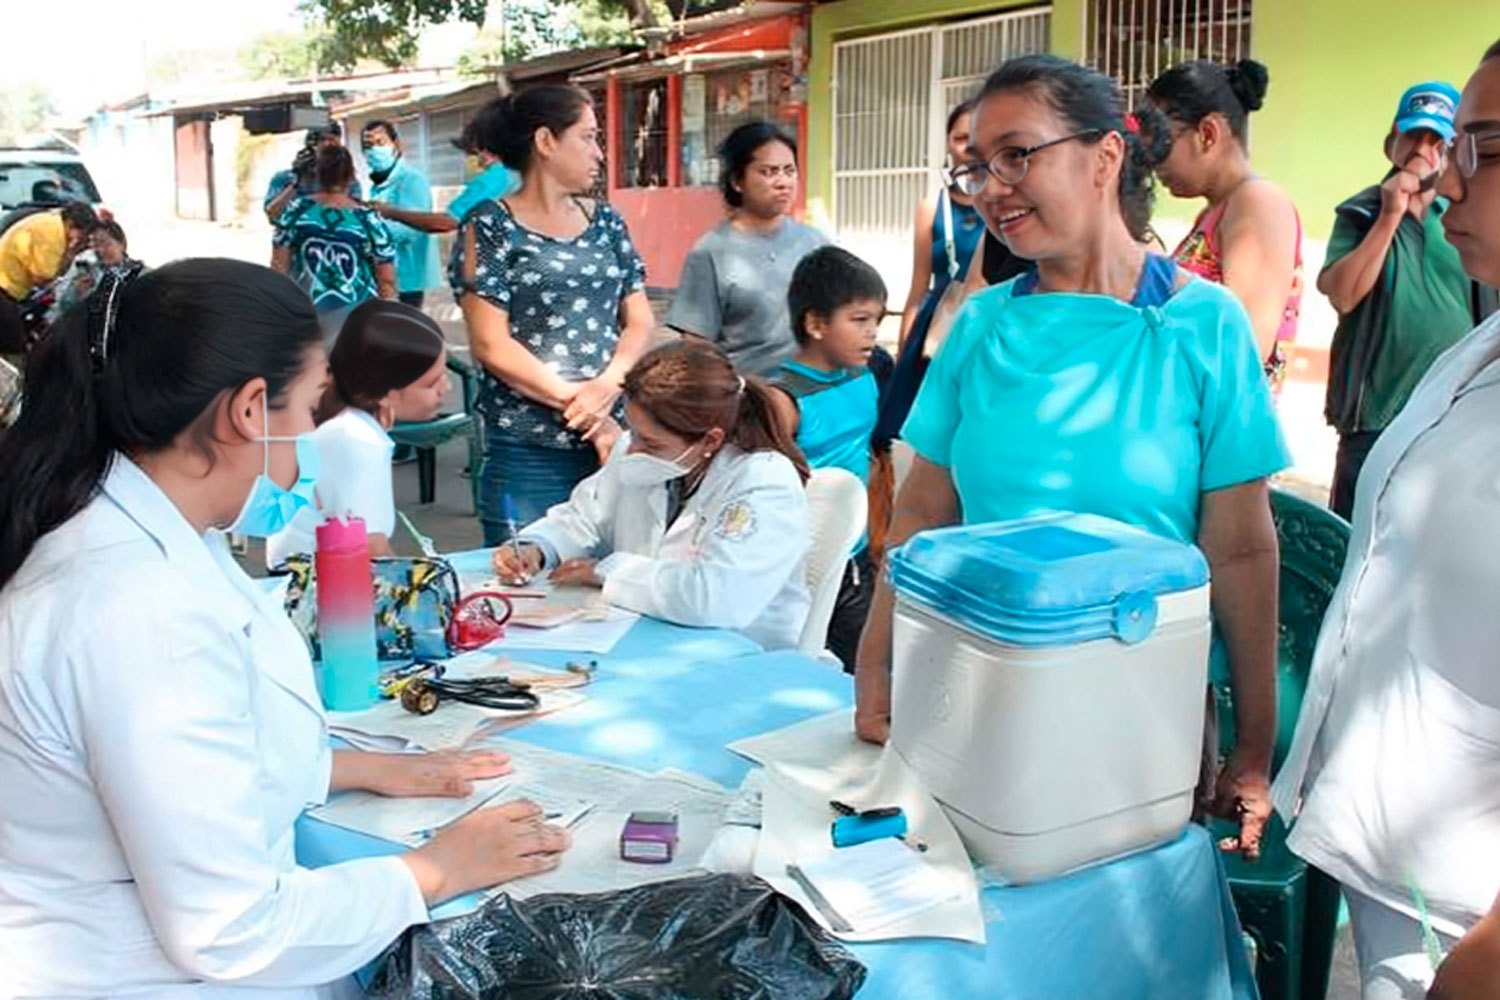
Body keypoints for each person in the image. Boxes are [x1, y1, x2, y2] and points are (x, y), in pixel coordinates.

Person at [0, 259, 570, 998]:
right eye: (306, 408)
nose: (310, 434)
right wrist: (435, 870)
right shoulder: (138, 609)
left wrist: (342, 767)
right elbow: (231, 929)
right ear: (247, 411)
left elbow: (162, 762)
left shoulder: (137, 530)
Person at [855, 55, 1290, 863]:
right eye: (977, 167)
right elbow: (921, 517)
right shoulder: (981, 327)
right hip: (976, 682)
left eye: (1018, 155)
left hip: (1141, 702)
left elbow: (1239, 546)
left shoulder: (1203, 324)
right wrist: (875, 667)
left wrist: (1254, 748)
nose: (991, 186)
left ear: (1105, 155)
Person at [1271, 40, 1500, 1000]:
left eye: (1478, 147)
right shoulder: (1482, 344)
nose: (1446, 179)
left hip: (1471, 916)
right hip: (1407, 863)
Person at [494, 339, 811, 650]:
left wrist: (605, 572)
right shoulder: (644, 453)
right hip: (647, 635)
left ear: (711, 441)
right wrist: (538, 547)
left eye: (650, 443)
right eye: (633, 432)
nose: (632, 449)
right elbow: (586, 516)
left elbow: (714, 597)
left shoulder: (763, 480)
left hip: (745, 653)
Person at [449, 84, 654, 545]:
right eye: (588, 137)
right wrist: (588, 413)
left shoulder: (606, 221)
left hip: (617, 444)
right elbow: (491, 345)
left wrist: (609, 385)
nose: (599, 153)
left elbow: (639, 319)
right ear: (545, 141)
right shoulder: (488, 225)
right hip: (528, 454)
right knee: (525, 597)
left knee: (612, 592)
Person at [1319, 82, 1484, 519]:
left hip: (1451, 419)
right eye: (1414, 136)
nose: (1422, 150)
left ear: (1453, 152)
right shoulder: (1361, 213)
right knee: (1356, 541)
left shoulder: (1466, 220)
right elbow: (1343, 293)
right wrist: (1390, 216)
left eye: (1437, 140)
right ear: (1393, 141)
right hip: (1374, 419)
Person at [1147, 59, 1304, 388]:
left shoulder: (1257, 203)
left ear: (1207, 134)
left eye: (1161, 145)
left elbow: (1243, 346)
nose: (1152, 162)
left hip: (1225, 428)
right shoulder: (1217, 212)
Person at [768, 246, 887, 671]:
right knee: (799, 668)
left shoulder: (866, 374)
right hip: (802, 568)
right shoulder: (783, 399)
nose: (872, 332)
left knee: (871, 671)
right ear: (815, 323)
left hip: (856, 560)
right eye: (858, 320)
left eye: (877, 320)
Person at [267, 299, 451, 567]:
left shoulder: (344, 425)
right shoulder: (358, 441)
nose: (446, 389)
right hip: (318, 588)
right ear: (385, 392)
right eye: (432, 383)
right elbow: (371, 550)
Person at [666, 121, 828, 376]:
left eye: (789, 170)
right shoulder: (710, 253)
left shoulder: (816, 243)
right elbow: (697, 349)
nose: (783, 181)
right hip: (749, 402)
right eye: (769, 172)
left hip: (814, 397)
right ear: (737, 181)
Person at [272, 145, 397, 344]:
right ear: (351, 176)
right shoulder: (368, 220)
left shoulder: (295, 211)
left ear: (318, 174)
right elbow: (386, 281)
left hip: (306, 316)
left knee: (313, 372)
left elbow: (278, 269)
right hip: (359, 320)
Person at [375, 111, 520, 234]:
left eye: (472, 153)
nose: (472, 161)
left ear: (486, 150)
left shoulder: (493, 178)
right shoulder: (519, 173)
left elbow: (446, 222)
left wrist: (391, 213)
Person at [0, 200, 97, 353]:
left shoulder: (50, 222)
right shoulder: (53, 236)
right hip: (4, 289)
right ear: (73, 226)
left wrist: (71, 253)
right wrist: (71, 252)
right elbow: (42, 279)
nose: (85, 239)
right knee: (15, 348)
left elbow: (56, 273)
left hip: (9, 290)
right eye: (85, 233)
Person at [361, 119, 440, 309]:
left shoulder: (412, 180)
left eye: (380, 143)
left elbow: (412, 228)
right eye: (368, 146)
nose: (374, 150)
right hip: (385, 272)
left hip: (406, 275)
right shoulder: (379, 183)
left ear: (396, 145)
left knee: (403, 330)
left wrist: (367, 230)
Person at [264, 123, 362, 224]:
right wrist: (296, 184)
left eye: (331, 140)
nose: (326, 145)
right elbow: (273, 214)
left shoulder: (350, 181)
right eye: (322, 140)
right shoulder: (286, 178)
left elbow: (356, 215)